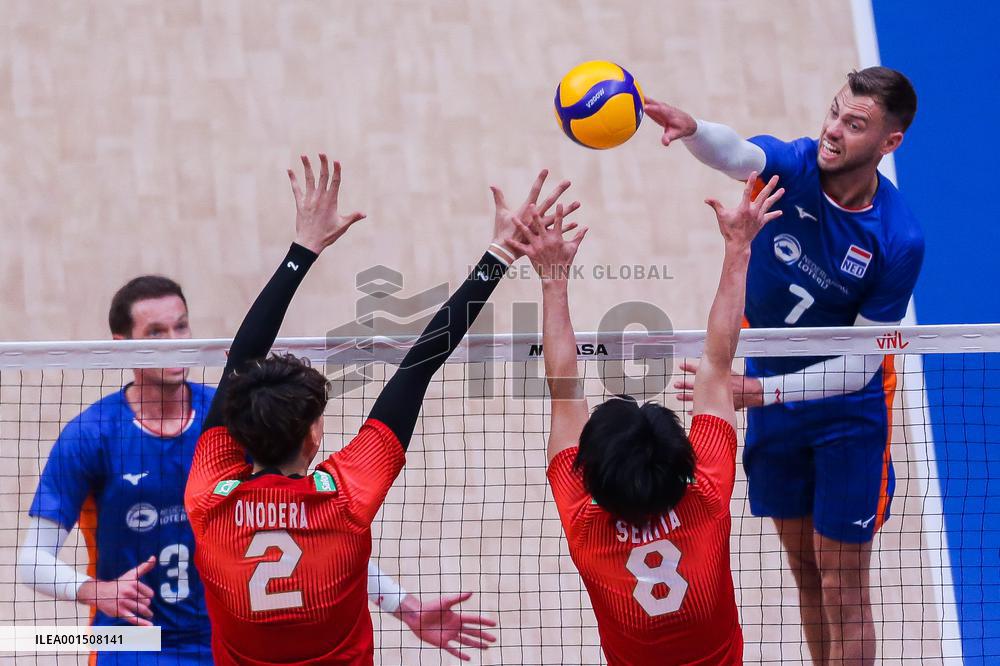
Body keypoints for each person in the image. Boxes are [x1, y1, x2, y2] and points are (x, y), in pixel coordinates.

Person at [184, 155, 580, 664]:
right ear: (312, 436)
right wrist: (499, 253)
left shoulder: (208, 501)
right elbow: (418, 367)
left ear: (237, 430)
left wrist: (301, 250)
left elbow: (241, 362)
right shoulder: (347, 499)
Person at [18, 275, 495, 664]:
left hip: (226, 638)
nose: (175, 343)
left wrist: (401, 603)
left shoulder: (226, 426)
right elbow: (30, 560)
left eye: (181, 327)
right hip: (135, 645)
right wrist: (90, 589)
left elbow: (310, 544)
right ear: (121, 345)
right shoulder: (91, 436)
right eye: (156, 333)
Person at [645, 66, 923, 664]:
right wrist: (692, 129)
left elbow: (860, 369)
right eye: (834, 112)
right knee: (804, 572)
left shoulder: (897, 239)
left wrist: (761, 393)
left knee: (843, 587)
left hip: (846, 414)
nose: (832, 131)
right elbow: (738, 152)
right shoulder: (794, 167)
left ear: (889, 142)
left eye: (855, 125)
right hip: (769, 396)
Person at [509, 174, 784, 665]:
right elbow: (717, 365)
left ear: (588, 474)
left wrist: (552, 278)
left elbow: (564, 391)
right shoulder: (706, 499)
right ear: (683, 464)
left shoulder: (585, 527)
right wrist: (738, 248)